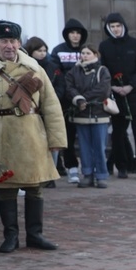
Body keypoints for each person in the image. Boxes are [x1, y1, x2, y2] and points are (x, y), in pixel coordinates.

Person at [0, 20, 66, 253]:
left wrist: (57, 139)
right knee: (5, 185)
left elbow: (51, 105)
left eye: (13, 41)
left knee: (35, 185)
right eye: (3, 41)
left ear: (19, 42)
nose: (9, 45)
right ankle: (11, 236)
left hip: (31, 132)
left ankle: (35, 234)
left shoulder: (35, 68)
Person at [98, 12, 136, 180]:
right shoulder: (104, 46)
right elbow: (102, 68)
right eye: (112, 27)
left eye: (118, 26)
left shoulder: (135, 44)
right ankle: (122, 166)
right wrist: (112, 86)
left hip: (134, 95)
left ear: (123, 26)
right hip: (116, 96)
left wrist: (130, 85)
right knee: (118, 134)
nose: (116, 29)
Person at [64, 43, 112, 188]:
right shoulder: (74, 71)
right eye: (83, 53)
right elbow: (69, 87)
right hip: (81, 114)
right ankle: (87, 174)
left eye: (88, 53)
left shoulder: (102, 70)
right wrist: (77, 99)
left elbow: (103, 89)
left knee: (99, 146)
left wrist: (84, 98)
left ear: (95, 55)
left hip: (99, 114)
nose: (84, 56)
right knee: (84, 147)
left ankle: (101, 175)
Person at [50, 18, 88, 185]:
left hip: (85, 100)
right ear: (67, 35)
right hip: (66, 101)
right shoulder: (58, 51)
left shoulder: (87, 51)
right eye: (72, 33)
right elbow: (56, 74)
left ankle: (90, 169)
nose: (75, 36)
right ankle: (71, 167)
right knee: (68, 135)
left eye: (78, 33)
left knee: (86, 136)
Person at [23, 36, 63, 188]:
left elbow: (60, 85)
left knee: (52, 142)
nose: (42, 53)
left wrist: (50, 100)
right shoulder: (26, 66)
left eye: (45, 50)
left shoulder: (53, 66)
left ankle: (50, 173)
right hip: (32, 110)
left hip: (49, 108)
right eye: (39, 50)